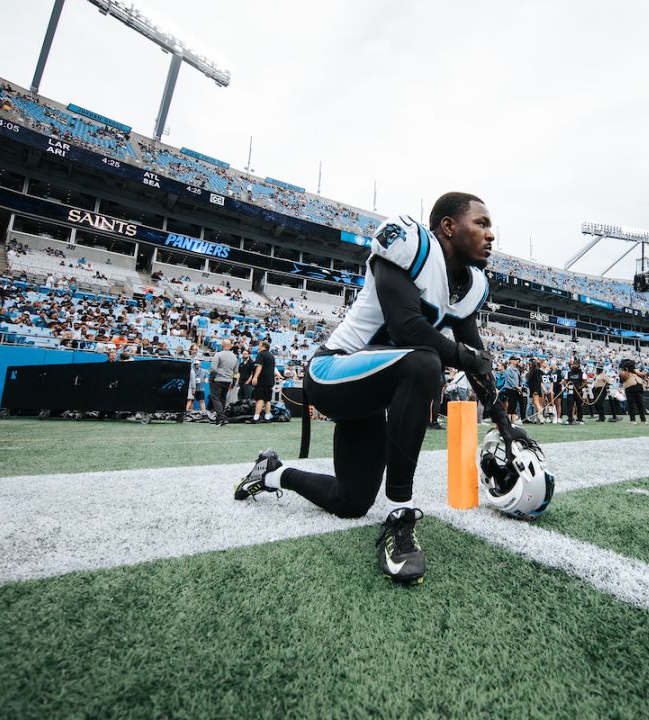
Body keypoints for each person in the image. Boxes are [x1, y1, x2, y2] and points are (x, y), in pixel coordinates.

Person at [231, 192, 534, 585]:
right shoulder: (410, 245)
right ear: (447, 226)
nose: (490, 235)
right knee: (425, 361)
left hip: (374, 392)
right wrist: (468, 357)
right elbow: (408, 327)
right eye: (481, 223)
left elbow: (475, 354)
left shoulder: (472, 285)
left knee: (351, 502)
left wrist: (503, 421)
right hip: (332, 371)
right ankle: (401, 516)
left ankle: (272, 472)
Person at [209, 338, 238, 427]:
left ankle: (222, 418)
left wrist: (212, 378)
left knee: (215, 399)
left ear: (222, 345)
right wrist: (233, 382)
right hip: (228, 380)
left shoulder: (218, 354)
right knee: (222, 399)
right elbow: (236, 371)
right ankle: (219, 421)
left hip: (218, 379)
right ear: (230, 346)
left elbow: (213, 369)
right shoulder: (235, 356)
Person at [249, 340, 277, 423]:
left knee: (260, 398)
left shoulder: (260, 354)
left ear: (264, 346)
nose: (258, 346)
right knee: (267, 399)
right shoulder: (271, 356)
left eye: (260, 345)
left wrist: (255, 377)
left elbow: (259, 367)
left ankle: (256, 417)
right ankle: (267, 417)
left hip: (262, 380)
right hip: (270, 380)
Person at [619, 359, 647, 424]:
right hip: (629, 389)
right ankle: (632, 420)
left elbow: (643, 375)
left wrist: (634, 370)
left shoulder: (635, 370)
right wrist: (627, 370)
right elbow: (623, 379)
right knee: (631, 405)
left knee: (640, 405)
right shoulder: (623, 372)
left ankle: (643, 419)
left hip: (638, 388)